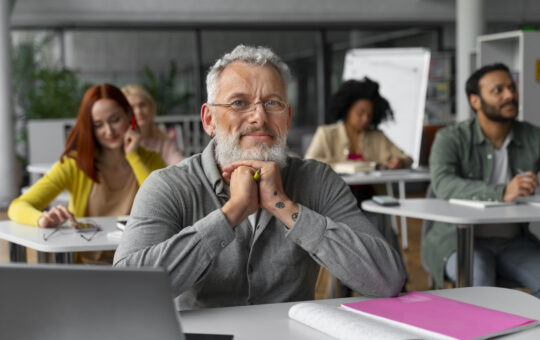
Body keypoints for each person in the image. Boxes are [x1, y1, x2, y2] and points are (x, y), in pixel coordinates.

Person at [113, 45, 406, 310]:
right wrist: (231, 212)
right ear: (209, 120)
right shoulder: (168, 185)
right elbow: (126, 290)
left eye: (273, 103)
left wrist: (284, 205)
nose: (259, 117)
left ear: (287, 118)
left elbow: (387, 278)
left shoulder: (318, 180)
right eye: (239, 103)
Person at [8, 84, 165, 263]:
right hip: (86, 269)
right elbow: (18, 206)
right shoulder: (75, 164)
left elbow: (162, 203)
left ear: (129, 116)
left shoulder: (151, 160)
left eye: (115, 120)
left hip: (139, 266)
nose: (109, 131)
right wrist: (42, 219)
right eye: (98, 125)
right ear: (89, 127)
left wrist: (134, 157)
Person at [424, 63, 540, 296]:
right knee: (480, 286)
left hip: (514, 242)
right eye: (498, 90)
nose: (509, 95)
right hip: (459, 242)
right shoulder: (450, 138)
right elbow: (443, 183)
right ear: (475, 101)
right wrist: (501, 192)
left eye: (511, 87)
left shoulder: (533, 136)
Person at [305, 78, 412, 170]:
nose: (365, 119)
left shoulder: (378, 136)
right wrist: (345, 166)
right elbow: (309, 163)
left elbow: (407, 158)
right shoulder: (326, 134)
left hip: (371, 192)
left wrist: (400, 161)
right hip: (335, 192)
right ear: (347, 110)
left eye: (369, 115)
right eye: (360, 113)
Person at [121, 84, 184, 165]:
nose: (138, 111)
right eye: (131, 108)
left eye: (142, 105)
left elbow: (181, 166)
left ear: (151, 107)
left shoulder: (163, 140)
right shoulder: (119, 143)